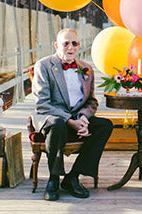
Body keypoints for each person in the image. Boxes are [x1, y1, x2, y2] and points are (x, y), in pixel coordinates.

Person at [31, 29, 113, 201]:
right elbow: (42, 103)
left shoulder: (86, 69)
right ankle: (54, 178)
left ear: (79, 46)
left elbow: (92, 101)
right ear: (56, 45)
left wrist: (83, 118)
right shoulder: (44, 65)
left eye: (74, 43)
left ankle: (73, 177)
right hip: (52, 118)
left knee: (105, 126)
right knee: (57, 123)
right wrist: (69, 120)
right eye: (65, 43)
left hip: (76, 117)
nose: (70, 47)